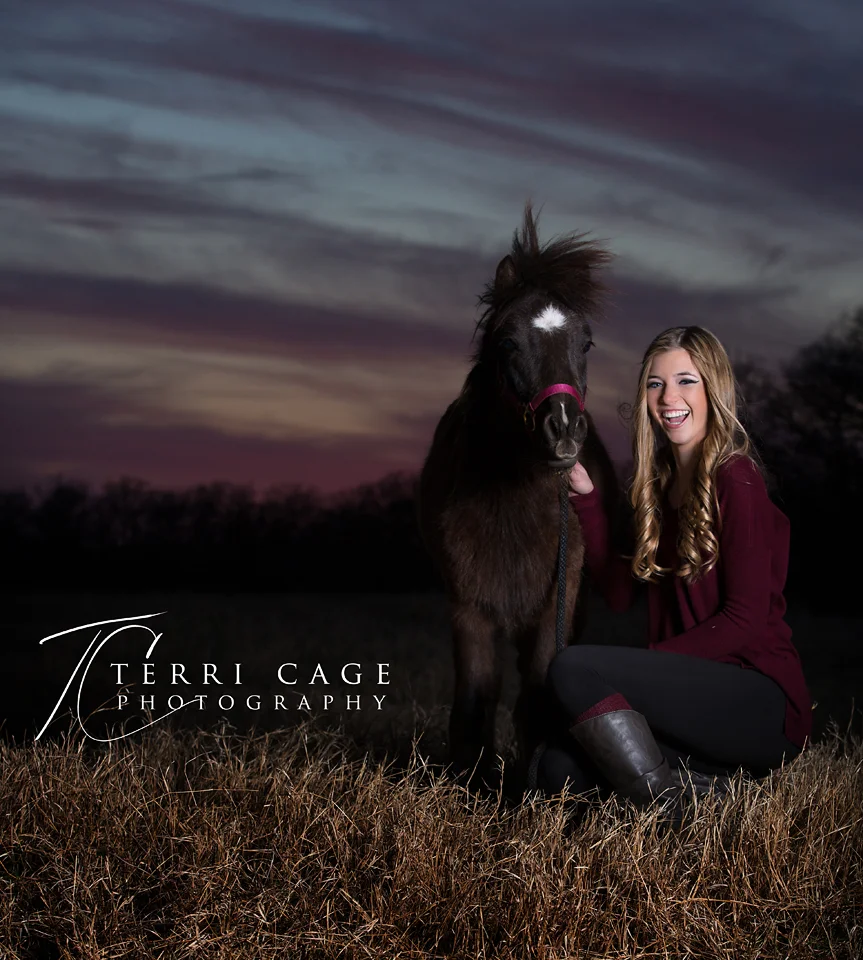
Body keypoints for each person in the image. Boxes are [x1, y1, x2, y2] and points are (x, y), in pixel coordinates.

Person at [535, 326, 812, 817]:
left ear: (713, 389)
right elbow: (619, 594)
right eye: (655, 384)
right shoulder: (660, 488)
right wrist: (588, 500)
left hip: (759, 702)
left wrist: (646, 671)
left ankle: (668, 814)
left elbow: (745, 620)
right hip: (694, 704)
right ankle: (707, 788)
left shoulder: (737, 478)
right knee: (559, 769)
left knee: (573, 668)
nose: (668, 398)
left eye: (686, 381)